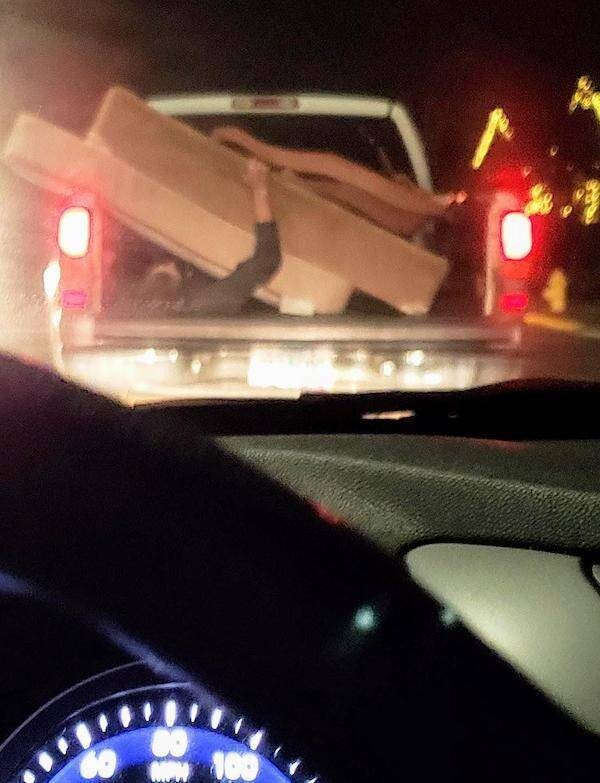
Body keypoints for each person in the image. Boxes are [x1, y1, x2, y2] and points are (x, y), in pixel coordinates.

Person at [112, 158, 281, 316]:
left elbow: (265, 263)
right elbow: (265, 261)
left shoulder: (118, 303)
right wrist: (259, 191)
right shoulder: (203, 307)